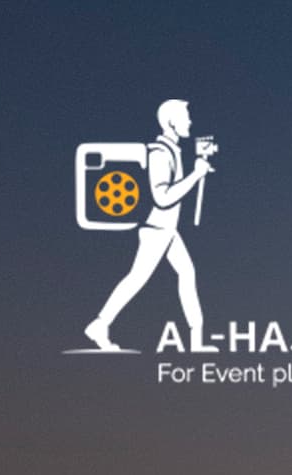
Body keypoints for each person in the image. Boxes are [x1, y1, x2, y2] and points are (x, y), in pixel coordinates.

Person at [84, 99, 211, 353]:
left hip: (167, 230)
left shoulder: (173, 150)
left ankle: (196, 340)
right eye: (186, 117)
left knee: (186, 272)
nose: (190, 122)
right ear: (172, 122)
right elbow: (162, 197)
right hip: (157, 230)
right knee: (137, 279)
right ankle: (100, 323)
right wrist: (196, 175)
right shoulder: (159, 153)